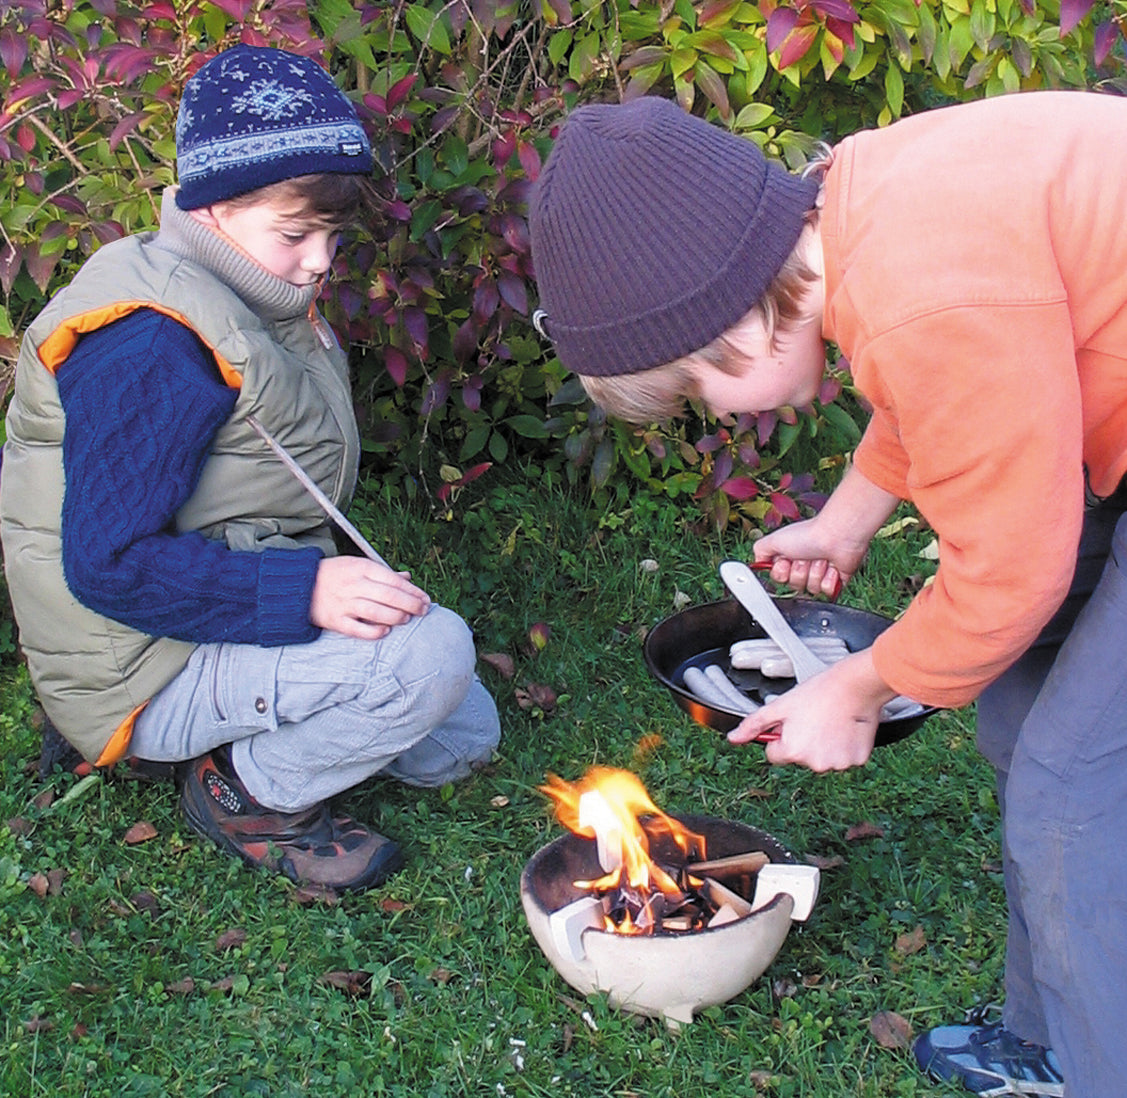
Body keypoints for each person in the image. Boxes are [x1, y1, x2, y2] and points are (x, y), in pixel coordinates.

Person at [528, 93, 1127, 1097]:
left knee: (1072, 797)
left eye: (688, 393)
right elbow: (935, 385)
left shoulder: (922, 293)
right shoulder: (856, 207)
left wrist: (855, 688)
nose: (706, 418)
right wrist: (849, 517)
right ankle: (1052, 1041)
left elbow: (1008, 573)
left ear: (726, 319)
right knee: (1026, 731)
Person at [0, 45, 500, 894]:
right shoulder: (153, 344)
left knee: (460, 734)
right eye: (296, 233)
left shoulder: (238, 289)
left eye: (330, 235)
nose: (319, 262)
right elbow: (106, 565)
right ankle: (240, 791)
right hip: (134, 655)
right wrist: (303, 593)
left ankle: (230, 735)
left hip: (191, 614)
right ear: (216, 209)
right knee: (430, 657)